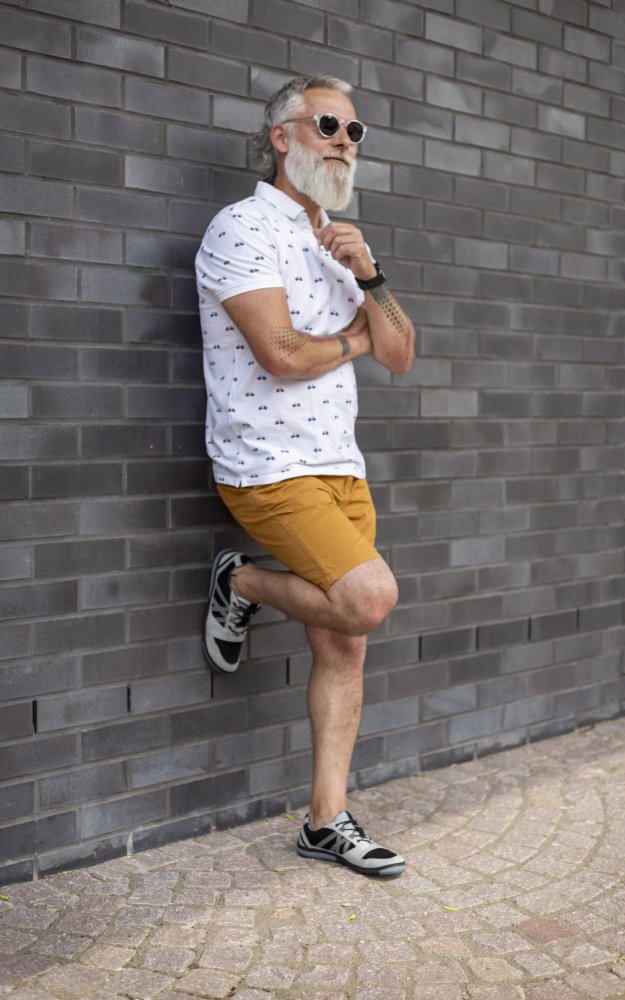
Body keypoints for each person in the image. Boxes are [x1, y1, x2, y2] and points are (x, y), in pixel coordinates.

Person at [195, 74, 415, 877]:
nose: (342, 141)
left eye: (353, 132)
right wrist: (353, 340)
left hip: (339, 467)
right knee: (369, 599)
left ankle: (325, 821)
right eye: (327, 125)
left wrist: (370, 277)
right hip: (267, 465)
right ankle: (243, 583)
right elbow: (280, 356)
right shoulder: (241, 229)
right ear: (282, 136)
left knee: (344, 641)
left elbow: (400, 352)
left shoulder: (343, 243)